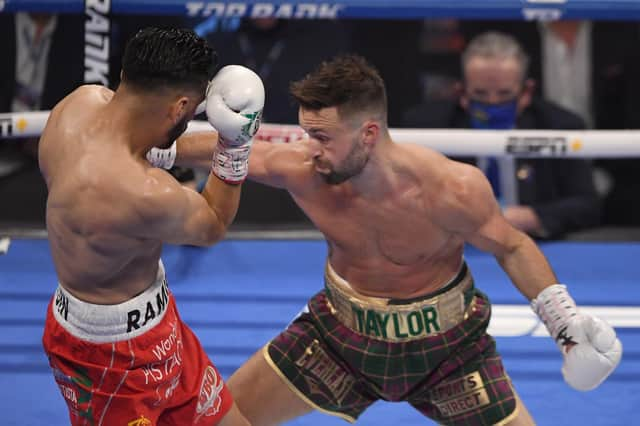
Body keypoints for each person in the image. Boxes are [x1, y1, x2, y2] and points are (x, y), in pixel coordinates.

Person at [167, 54, 621, 425]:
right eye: (308, 134)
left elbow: (512, 245)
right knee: (214, 420)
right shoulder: (306, 171)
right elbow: (227, 147)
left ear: (368, 133)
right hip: (339, 338)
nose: (311, 147)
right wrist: (150, 144)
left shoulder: (449, 188)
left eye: (322, 136)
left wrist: (565, 326)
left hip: (450, 352)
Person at [38, 27, 264, 425]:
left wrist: (225, 139)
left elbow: (140, 150)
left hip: (158, 323)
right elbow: (212, 223)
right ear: (178, 109)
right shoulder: (144, 194)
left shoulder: (77, 106)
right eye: (193, 111)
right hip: (110, 360)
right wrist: (235, 147)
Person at [403, 31, 602, 239]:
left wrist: (533, 217)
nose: (493, 102)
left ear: (526, 92)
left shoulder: (559, 126)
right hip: (453, 249)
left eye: (504, 94)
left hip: (535, 245)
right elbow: (404, 202)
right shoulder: (427, 128)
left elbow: (587, 205)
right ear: (462, 93)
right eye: (480, 94)